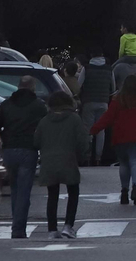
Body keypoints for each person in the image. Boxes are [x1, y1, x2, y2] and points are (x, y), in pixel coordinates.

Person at [90, 75, 136, 205]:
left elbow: (108, 117)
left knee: (124, 164)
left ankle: (124, 191)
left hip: (121, 136)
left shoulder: (118, 100)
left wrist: (94, 129)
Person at [0, 76, 49, 238]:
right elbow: (45, 126)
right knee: (24, 191)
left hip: (9, 149)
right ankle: (18, 228)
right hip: (28, 149)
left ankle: (16, 223)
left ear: (18, 87)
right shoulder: (39, 106)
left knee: (14, 189)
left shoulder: (6, 105)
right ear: (33, 88)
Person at [35, 91, 88, 239]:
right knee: (73, 192)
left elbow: (36, 141)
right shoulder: (74, 119)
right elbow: (82, 141)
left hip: (48, 162)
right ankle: (68, 225)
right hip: (69, 160)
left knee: (52, 195)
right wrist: (83, 155)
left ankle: (52, 229)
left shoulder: (44, 121)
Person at [79, 54, 114, 165]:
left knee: (88, 130)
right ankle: (98, 158)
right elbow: (113, 87)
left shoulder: (87, 68)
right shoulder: (109, 69)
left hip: (88, 101)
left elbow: (79, 84)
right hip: (103, 102)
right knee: (101, 130)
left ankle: (87, 156)